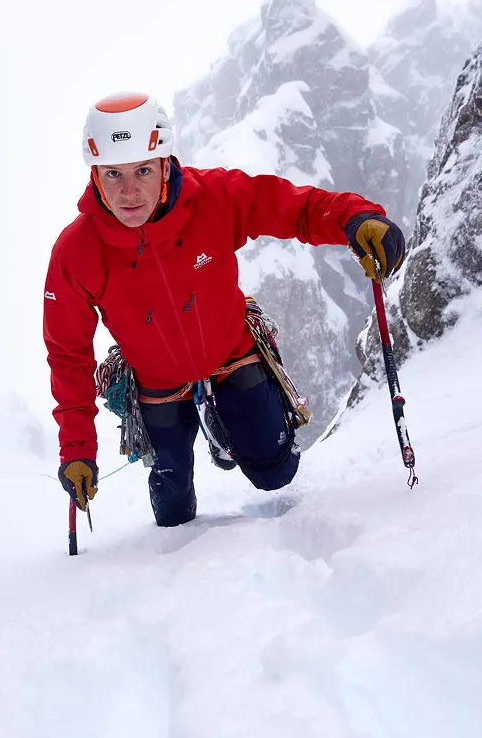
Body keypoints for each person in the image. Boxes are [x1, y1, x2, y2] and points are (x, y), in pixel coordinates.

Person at [44, 92, 405, 527]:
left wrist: (353, 217)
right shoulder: (76, 252)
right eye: (113, 174)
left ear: (164, 164)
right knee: (173, 512)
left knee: (276, 473)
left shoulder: (213, 198)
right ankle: (202, 449)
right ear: (95, 174)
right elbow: (68, 353)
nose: (129, 191)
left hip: (229, 349)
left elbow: (294, 207)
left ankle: (231, 433)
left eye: (142, 170)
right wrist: (77, 450)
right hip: (155, 376)